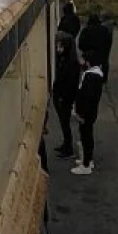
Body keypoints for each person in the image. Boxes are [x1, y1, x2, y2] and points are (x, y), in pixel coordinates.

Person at [71, 61, 105, 175]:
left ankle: (86, 165)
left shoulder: (90, 77)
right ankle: (87, 159)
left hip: (86, 114)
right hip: (90, 113)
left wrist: (80, 113)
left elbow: (86, 98)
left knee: (86, 136)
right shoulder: (96, 75)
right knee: (87, 135)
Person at [51, 31, 81, 159]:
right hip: (60, 95)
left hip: (65, 97)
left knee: (65, 121)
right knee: (63, 122)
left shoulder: (72, 64)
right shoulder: (63, 59)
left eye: (60, 46)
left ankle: (68, 147)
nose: (58, 48)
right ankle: (66, 143)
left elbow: (70, 84)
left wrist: (64, 97)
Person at [78, 13, 113, 83]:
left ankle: (86, 77)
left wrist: (85, 50)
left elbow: (81, 44)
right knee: (105, 63)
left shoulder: (86, 30)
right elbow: (108, 41)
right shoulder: (104, 30)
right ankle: (104, 79)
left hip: (89, 53)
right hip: (101, 53)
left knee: (86, 63)